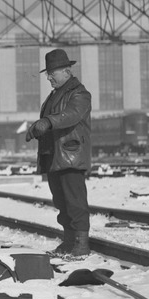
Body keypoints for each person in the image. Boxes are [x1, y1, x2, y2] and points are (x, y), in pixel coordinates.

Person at [25, 48, 93, 258]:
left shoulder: (79, 94)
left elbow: (70, 116)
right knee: (62, 202)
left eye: (52, 73)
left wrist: (47, 122)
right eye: (48, 73)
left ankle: (81, 244)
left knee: (75, 202)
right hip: (55, 157)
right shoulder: (55, 95)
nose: (49, 77)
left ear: (66, 71)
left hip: (70, 156)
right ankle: (70, 240)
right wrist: (36, 129)